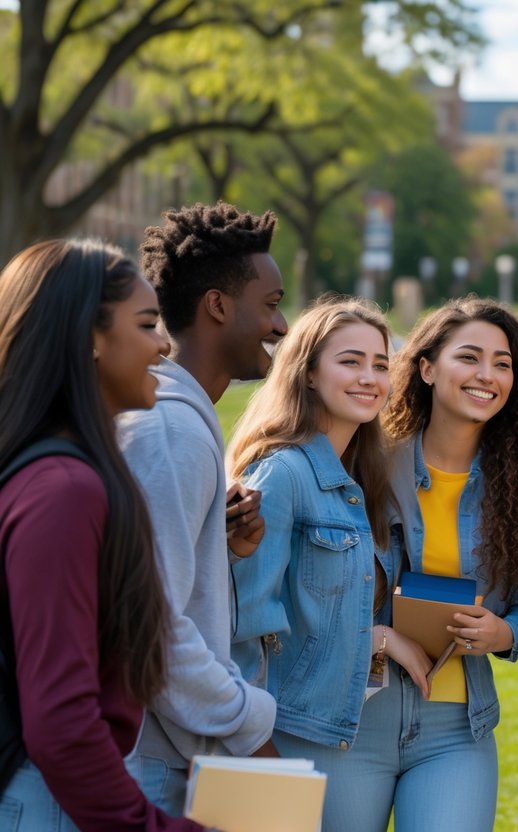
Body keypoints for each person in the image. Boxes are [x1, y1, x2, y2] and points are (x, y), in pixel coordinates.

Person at [0, 239, 203, 831]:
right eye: (146, 325)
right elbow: (61, 719)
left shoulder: (54, 473)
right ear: (90, 336)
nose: (164, 345)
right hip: (45, 801)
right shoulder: (63, 489)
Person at [372, 297, 518, 831]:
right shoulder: (368, 466)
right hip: (358, 712)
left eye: (502, 363)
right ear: (428, 368)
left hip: (456, 727)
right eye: (470, 357)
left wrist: (502, 631)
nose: (488, 375)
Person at [119, 201, 285, 813]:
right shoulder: (173, 433)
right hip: (155, 763)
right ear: (218, 305)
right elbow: (153, 628)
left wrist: (219, 541)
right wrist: (251, 727)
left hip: (169, 752)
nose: (283, 326)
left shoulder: (175, 418)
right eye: (270, 305)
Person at [227, 297, 400, 827]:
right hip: (283, 734)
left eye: (380, 364)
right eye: (350, 361)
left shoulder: (361, 477)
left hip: (335, 727)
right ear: (306, 373)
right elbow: (243, 625)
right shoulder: (281, 474)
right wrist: (256, 748)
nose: (368, 377)